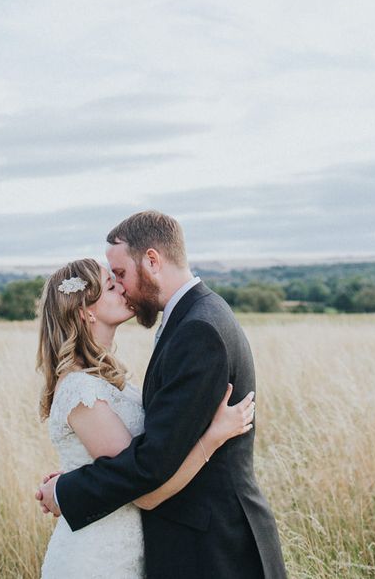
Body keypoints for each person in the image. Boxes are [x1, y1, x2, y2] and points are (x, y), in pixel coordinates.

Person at [38, 211, 288, 578]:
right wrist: (82, 475)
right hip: (119, 554)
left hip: (214, 547)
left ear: (152, 261)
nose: (121, 287)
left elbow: (148, 466)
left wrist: (68, 490)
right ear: (83, 312)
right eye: (112, 283)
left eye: (120, 275)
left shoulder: (197, 328)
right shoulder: (194, 317)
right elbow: (144, 459)